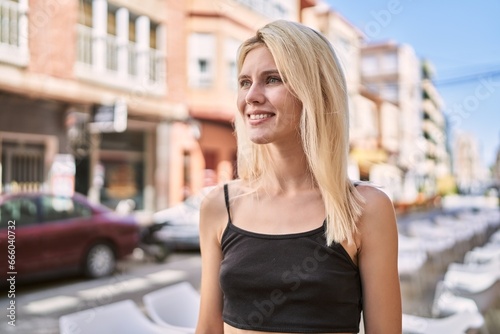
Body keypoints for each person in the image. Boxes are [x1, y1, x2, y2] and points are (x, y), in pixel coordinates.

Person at [196, 20, 402, 334]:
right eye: (243, 82)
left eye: (272, 79)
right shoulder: (218, 205)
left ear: (315, 92)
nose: (251, 96)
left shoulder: (366, 209)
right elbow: (209, 329)